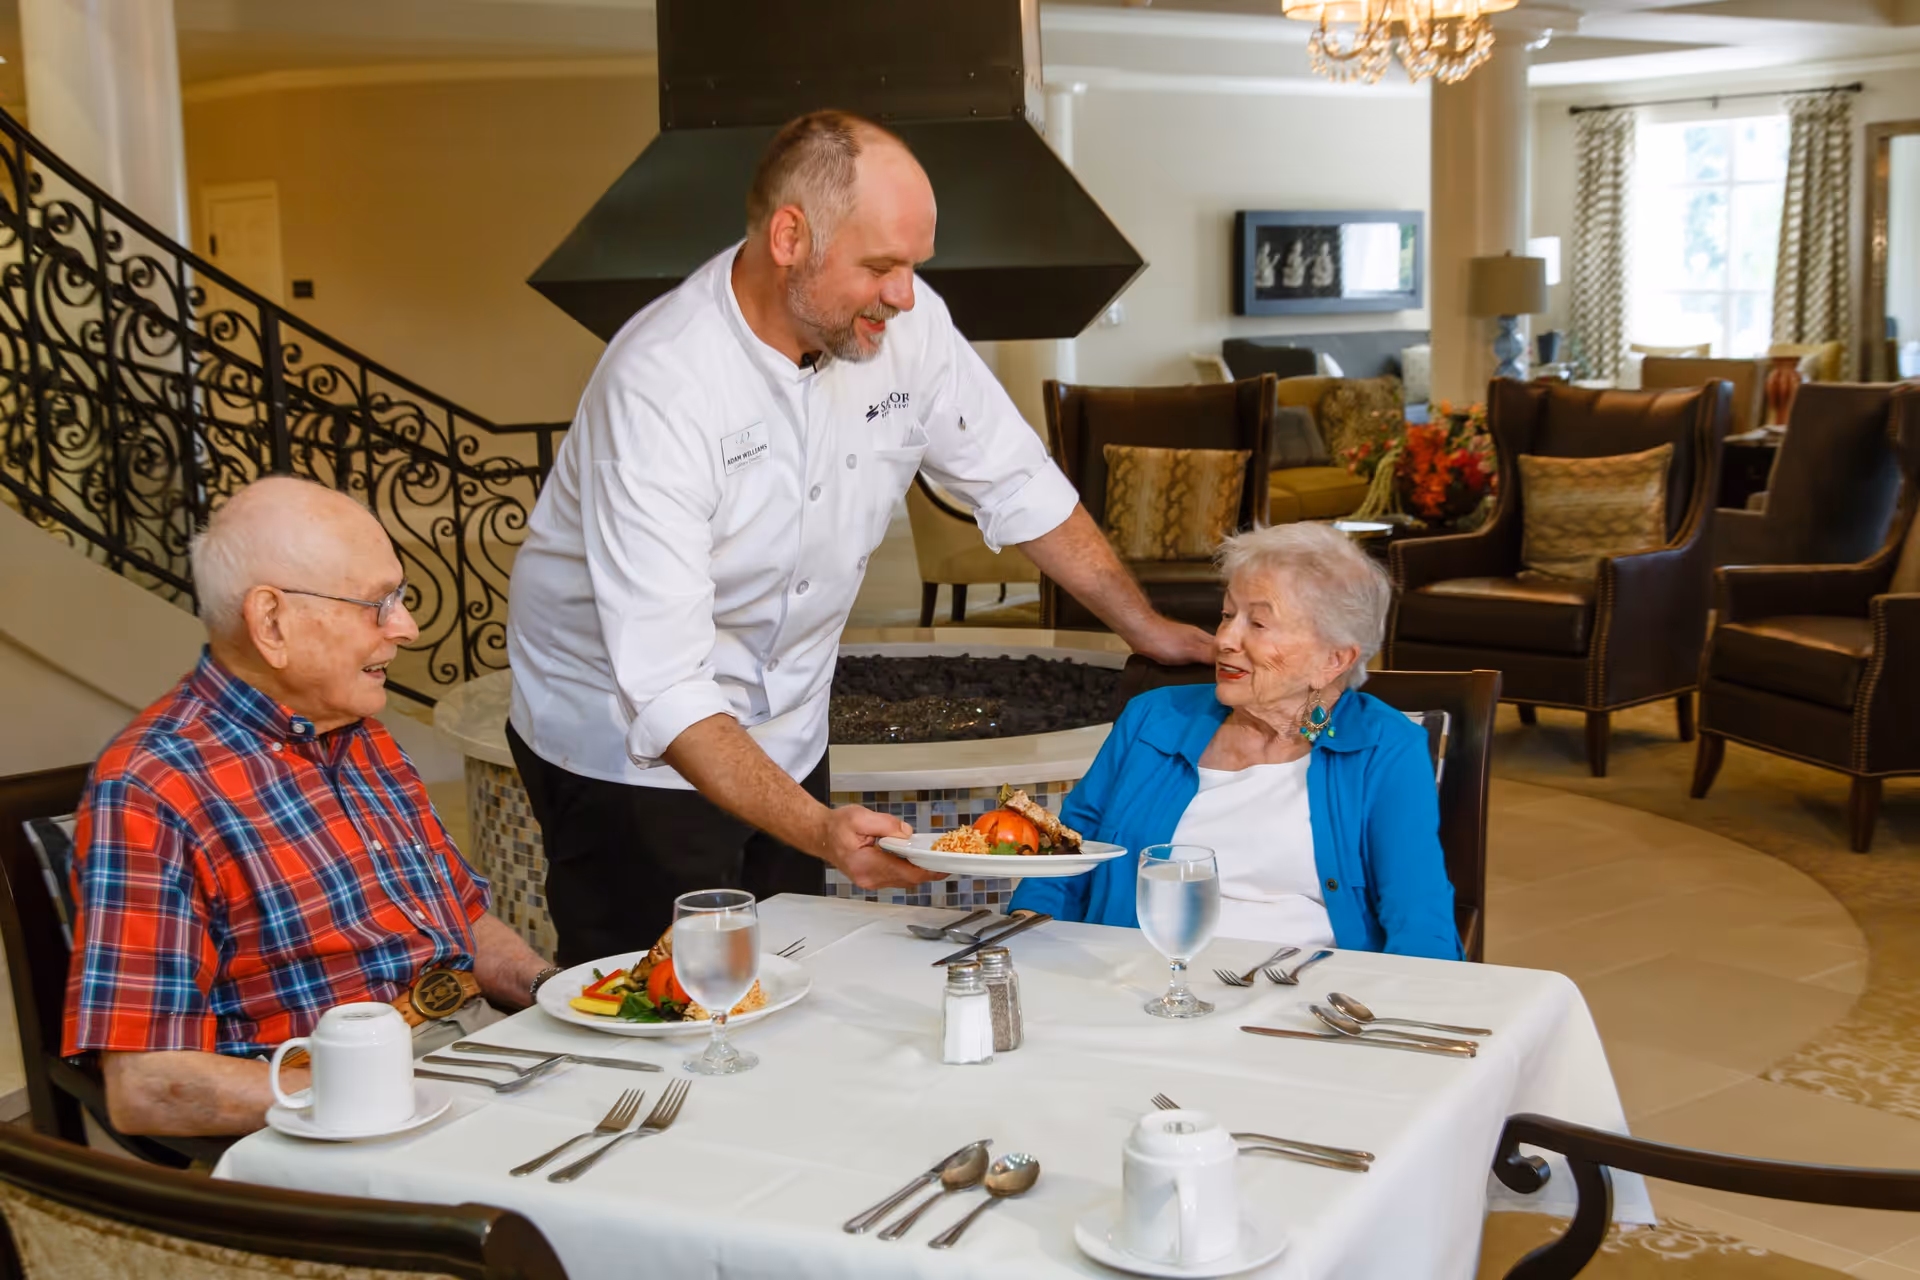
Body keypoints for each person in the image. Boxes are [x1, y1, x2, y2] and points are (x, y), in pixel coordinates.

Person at [505, 109, 1213, 964]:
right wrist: (820, 830)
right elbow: (664, 685)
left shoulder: (908, 329)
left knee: (796, 980)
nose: (905, 295)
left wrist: (1144, 626)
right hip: (628, 750)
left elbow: (1018, 481)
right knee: (658, 1004)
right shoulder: (660, 385)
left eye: (915, 265)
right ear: (790, 237)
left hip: (790, 724)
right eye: (880, 265)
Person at [62, 477, 557, 1138]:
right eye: (378, 603)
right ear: (271, 622)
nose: (405, 628)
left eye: (400, 598)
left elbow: (462, 921)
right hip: (336, 1113)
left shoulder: (358, 733)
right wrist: (372, 1096)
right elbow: (147, 1084)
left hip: (479, 1052)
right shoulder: (154, 787)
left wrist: (559, 991)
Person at [1009, 523, 1461, 959]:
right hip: (1139, 982)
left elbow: (1419, 917)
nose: (1225, 639)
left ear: (1333, 659)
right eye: (1227, 615)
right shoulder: (1155, 717)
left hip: (1299, 1000)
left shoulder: (1385, 747)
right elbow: (1066, 850)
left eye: (1258, 624)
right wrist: (1026, 937)